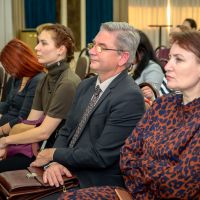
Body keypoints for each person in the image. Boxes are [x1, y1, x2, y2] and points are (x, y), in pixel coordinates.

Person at [62, 30, 200, 200]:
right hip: (134, 193)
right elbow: (127, 153)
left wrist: (142, 168)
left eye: (178, 59)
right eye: (170, 58)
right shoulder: (163, 104)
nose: (167, 66)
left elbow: (180, 184)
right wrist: (155, 171)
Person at [31, 21, 146, 199]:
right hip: (69, 169)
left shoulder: (129, 96)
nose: (92, 51)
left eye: (102, 47)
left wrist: (54, 154)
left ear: (122, 57)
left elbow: (101, 156)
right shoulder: (86, 85)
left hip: (97, 181)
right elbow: (66, 130)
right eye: (93, 44)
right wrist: (56, 162)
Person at [0, 24, 81, 172]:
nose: (36, 48)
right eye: (38, 42)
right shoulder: (46, 78)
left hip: (54, 155)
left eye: (43, 43)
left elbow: (44, 132)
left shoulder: (67, 83)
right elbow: (30, 123)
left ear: (60, 50)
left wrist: (6, 141)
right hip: (38, 146)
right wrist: (8, 146)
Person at [0, 38, 45, 135]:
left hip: (14, 129)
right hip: (7, 122)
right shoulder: (18, 77)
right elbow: (8, 104)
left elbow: (23, 118)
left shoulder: (37, 81)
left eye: (10, 67)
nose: (8, 71)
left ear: (19, 62)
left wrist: (2, 129)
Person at [130, 30, 164, 100]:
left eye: (130, 51)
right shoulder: (132, 65)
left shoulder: (153, 68)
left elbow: (152, 97)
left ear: (141, 52)